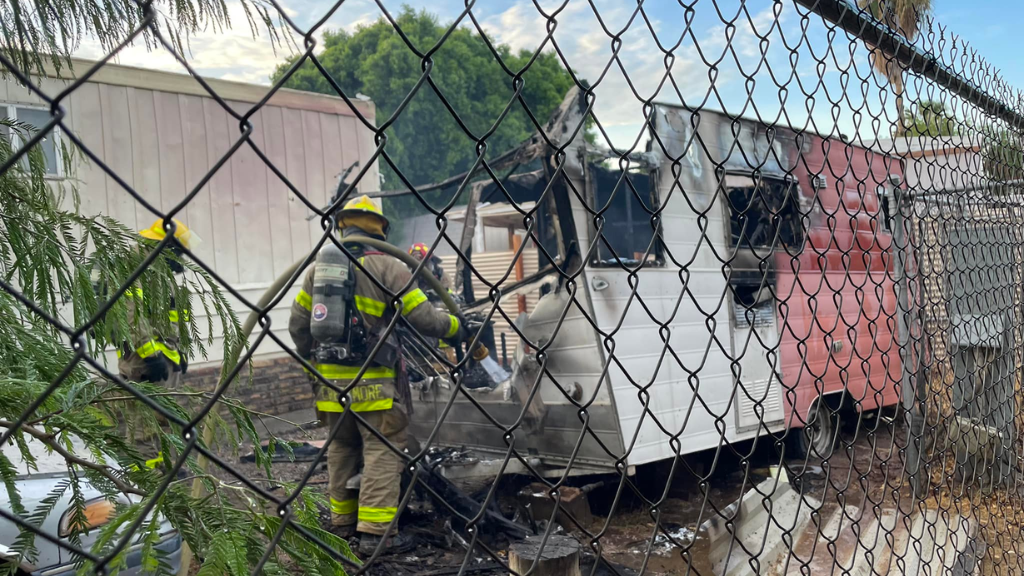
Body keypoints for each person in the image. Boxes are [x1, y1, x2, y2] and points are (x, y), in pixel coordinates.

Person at [288, 195, 464, 555]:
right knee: (383, 450)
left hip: (329, 388)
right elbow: (424, 319)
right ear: (380, 229)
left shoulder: (317, 271)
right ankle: (376, 534)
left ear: (343, 225)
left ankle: (342, 524)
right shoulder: (389, 267)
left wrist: (312, 361)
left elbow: (297, 327)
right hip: (374, 388)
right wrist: (456, 328)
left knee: (341, 448)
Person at [116, 218, 194, 387]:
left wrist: (181, 350)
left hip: (166, 359)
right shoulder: (135, 270)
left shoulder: (160, 274)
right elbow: (132, 315)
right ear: (166, 248)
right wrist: (151, 356)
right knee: (147, 405)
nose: (179, 259)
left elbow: (174, 317)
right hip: (144, 365)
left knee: (168, 404)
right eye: (178, 253)